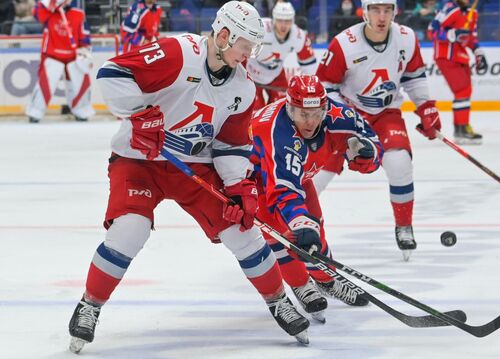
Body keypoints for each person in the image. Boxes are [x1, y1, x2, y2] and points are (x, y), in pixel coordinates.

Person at [67, 1, 310, 354]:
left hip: (194, 168)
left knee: (243, 231)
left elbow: (230, 145)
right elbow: (111, 75)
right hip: (140, 161)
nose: (249, 54)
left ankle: (278, 300)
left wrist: (239, 188)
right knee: (129, 230)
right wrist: (139, 116)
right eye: (246, 45)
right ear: (224, 35)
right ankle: (90, 305)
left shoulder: (243, 89)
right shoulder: (178, 52)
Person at [314, 0, 442, 261]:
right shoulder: (344, 43)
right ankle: (298, 226)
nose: (382, 16)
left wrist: (426, 107)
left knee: (399, 162)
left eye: (387, 10)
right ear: (364, 12)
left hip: (386, 113)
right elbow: (324, 86)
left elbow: (413, 77)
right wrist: (345, 119)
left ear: (395, 12)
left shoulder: (406, 38)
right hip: (347, 116)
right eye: (376, 10)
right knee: (317, 174)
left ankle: (404, 225)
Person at [251, 75, 382, 321]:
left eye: (315, 114)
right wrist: (300, 224)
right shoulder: (277, 132)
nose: (310, 122)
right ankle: (301, 286)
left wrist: (368, 155)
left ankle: (326, 280)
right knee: (282, 235)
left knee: (315, 229)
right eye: (302, 114)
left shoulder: (340, 116)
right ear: (289, 108)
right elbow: (283, 189)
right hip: (254, 180)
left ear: (325, 108)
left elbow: (373, 141)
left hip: (299, 177)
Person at [25, 0, 94, 123]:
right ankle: (35, 111)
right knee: (46, 84)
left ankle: (81, 111)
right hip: (52, 54)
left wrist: (85, 50)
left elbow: (84, 34)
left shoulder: (78, 13)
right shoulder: (48, 12)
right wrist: (50, 5)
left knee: (78, 83)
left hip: (73, 55)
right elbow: (36, 13)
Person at [429, 0, 487, 144]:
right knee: (462, 91)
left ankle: (461, 129)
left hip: (461, 56)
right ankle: (461, 130)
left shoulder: (473, 13)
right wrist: (453, 33)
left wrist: (478, 53)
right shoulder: (450, 9)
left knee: (465, 91)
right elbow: (432, 32)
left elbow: (471, 38)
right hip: (445, 56)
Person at [246, 1, 317, 112]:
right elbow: (240, 47)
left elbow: (309, 64)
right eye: (279, 20)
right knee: (254, 112)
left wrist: (311, 89)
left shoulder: (299, 36)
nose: (283, 25)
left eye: (287, 21)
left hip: (276, 75)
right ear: (273, 19)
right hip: (251, 74)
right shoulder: (260, 27)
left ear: (293, 20)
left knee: (282, 109)